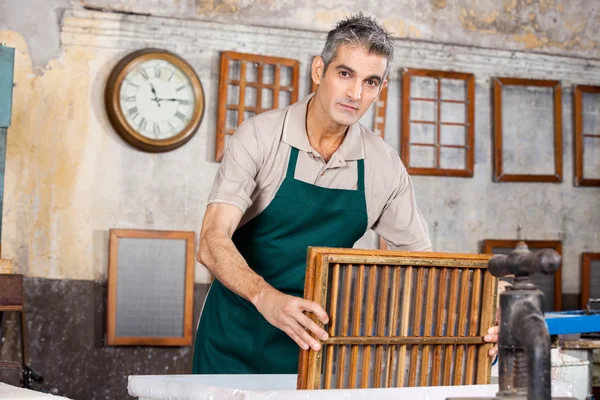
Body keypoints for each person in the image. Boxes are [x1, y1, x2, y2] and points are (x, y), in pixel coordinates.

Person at [193, 13, 498, 374]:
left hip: (318, 346)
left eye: (370, 82)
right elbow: (211, 241)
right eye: (345, 74)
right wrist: (267, 299)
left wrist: (482, 318)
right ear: (319, 70)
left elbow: (425, 268)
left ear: (380, 90)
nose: (356, 94)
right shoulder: (260, 137)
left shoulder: (383, 166)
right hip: (234, 338)